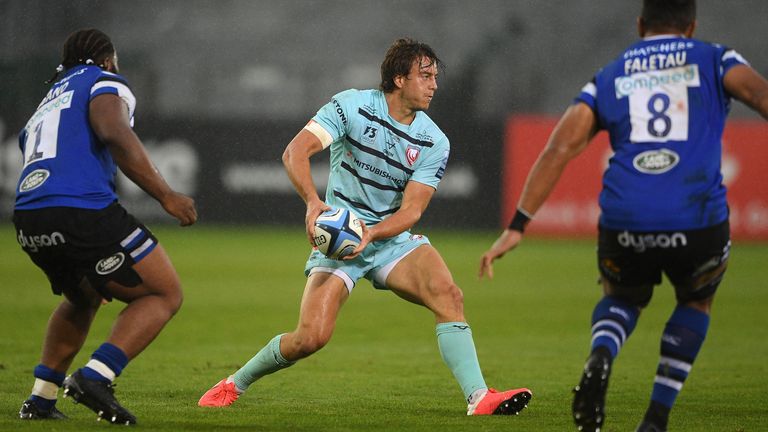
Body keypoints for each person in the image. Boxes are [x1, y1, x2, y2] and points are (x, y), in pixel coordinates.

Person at [198, 37, 531, 416]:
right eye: (425, 76)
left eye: (435, 76)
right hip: (340, 241)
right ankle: (233, 384)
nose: (434, 85)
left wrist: (371, 233)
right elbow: (295, 151)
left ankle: (479, 397)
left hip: (389, 238)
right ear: (399, 78)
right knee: (310, 338)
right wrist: (313, 204)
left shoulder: (433, 140)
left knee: (448, 294)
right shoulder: (352, 106)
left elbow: (412, 211)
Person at [479, 1, 768, 431]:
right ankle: (655, 418)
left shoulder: (612, 75)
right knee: (695, 300)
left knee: (621, 297)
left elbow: (560, 147)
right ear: (691, 26)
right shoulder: (715, 58)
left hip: (625, 218)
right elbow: (760, 95)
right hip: (697, 216)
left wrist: (518, 224)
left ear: (639, 25)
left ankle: (602, 354)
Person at [14, 28, 197, 425]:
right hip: (80, 209)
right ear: (107, 59)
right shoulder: (104, 80)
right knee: (163, 293)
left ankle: (40, 398)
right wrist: (166, 194)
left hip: (28, 214)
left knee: (83, 297)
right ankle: (96, 377)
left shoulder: (48, 100)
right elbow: (113, 131)